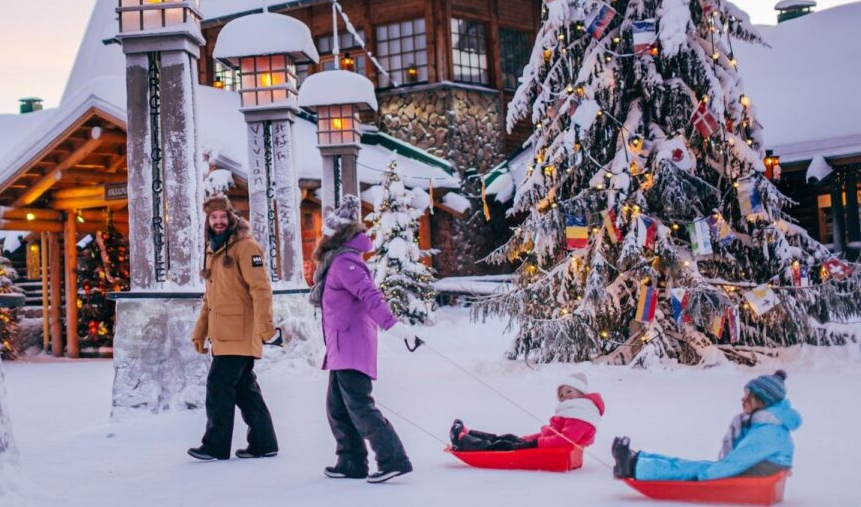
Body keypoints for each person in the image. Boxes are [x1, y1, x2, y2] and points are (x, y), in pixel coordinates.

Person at [309, 195, 421, 484]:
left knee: (359, 406)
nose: (323, 235)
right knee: (337, 407)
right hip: (339, 346)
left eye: (328, 231)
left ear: (338, 234)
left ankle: (393, 459)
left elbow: (371, 297)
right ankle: (351, 461)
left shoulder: (346, 263)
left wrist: (396, 327)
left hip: (351, 346)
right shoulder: (337, 261)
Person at [188, 194, 281, 462]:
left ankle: (215, 446)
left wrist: (266, 327)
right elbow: (211, 298)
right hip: (223, 333)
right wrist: (200, 331)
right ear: (208, 220)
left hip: (241, 331)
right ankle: (264, 443)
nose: (218, 221)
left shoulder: (245, 247)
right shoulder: (213, 250)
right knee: (244, 389)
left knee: (218, 386)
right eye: (213, 217)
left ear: (231, 217)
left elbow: (261, 289)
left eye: (222, 216)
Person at [612, 370, 801, 481]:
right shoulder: (766, 425)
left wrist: (702, 479)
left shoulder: (768, 432)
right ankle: (639, 459)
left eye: (748, 396)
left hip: (744, 478)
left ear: (761, 401)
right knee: (691, 464)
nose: (742, 400)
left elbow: (734, 462)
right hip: (746, 473)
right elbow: (736, 458)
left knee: (692, 470)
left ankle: (635, 468)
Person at [449, 372, 605, 452]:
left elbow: (566, 440)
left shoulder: (580, 415)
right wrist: (527, 439)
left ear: (581, 393)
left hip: (552, 453)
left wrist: (534, 443)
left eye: (568, 391)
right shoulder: (574, 412)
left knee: (502, 446)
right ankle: (468, 433)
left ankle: (463, 442)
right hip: (547, 447)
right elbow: (552, 434)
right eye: (561, 394)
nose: (564, 396)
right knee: (508, 438)